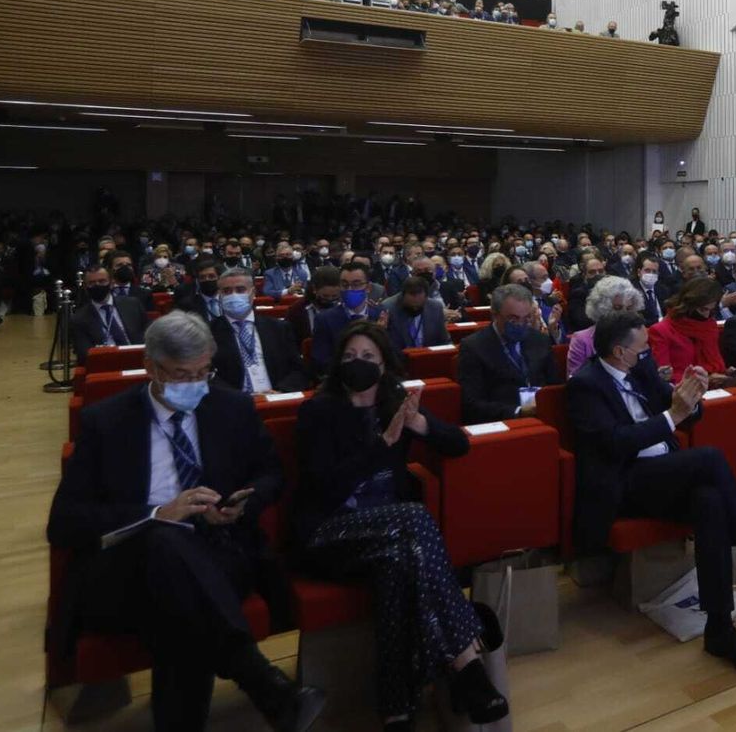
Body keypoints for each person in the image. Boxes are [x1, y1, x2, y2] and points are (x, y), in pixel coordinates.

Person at [46, 311, 325, 732]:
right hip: (127, 567)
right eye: (181, 375)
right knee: (165, 545)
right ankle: (261, 681)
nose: (195, 383)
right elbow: (65, 522)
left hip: (219, 551)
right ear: (152, 368)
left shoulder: (230, 406)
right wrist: (157, 513)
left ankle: (265, 690)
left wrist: (245, 502)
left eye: (203, 372)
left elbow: (270, 474)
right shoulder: (108, 422)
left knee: (181, 602)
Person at [566, 312, 736, 680]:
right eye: (642, 349)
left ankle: (720, 629)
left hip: (665, 472)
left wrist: (692, 396)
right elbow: (615, 445)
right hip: (625, 483)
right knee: (709, 458)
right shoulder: (586, 385)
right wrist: (672, 415)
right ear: (619, 352)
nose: (648, 354)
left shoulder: (640, 368)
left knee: (710, 501)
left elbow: (685, 414)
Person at [292, 321, 508, 729]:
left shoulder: (394, 403)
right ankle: (466, 661)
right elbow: (323, 487)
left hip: (393, 536)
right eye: (349, 357)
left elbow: (458, 444)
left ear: (384, 365)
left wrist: (419, 425)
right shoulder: (318, 411)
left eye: (367, 357)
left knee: (397, 564)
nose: (357, 363)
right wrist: (381, 446)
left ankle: (397, 709)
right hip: (331, 532)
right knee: (413, 518)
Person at [456, 283, 559, 421]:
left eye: (526, 318)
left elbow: (555, 386)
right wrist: (518, 412)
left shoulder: (539, 340)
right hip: (504, 420)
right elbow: (472, 404)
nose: (521, 324)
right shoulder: (474, 347)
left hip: (543, 415)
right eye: (513, 319)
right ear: (495, 315)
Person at [209, 268, 306, 394]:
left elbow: (298, 370)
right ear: (219, 295)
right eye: (227, 291)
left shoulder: (279, 328)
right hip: (234, 401)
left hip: (276, 398)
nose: (233, 295)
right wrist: (240, 398)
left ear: (253, 293)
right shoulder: (208, 333)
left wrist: (281, 391)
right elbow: (208, 376)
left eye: (240, 290)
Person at [647, 276, 736, 386]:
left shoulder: (709, 325)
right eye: (703, 309)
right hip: (685, 388)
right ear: (689, 305)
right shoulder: (660, 331)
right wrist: (704, 379)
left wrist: (725, 372)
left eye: (711, 310)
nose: (706, 315)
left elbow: (714, 360)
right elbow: (664, 376)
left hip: (713, 383)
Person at [310, 261, 385, 373]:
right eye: (344, 285)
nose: (350, 289)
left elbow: (393, 356)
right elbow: (321, 362)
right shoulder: (324, 319)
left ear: (368, 288)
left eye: (356, 284)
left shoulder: (382, 314)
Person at [565, 275, 645, 374]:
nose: (624, 314)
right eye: (617, 308)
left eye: (628, 308)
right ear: (602, 309)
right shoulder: (581, 340)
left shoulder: (638, 335)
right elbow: (576, 379)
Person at [73, 265, 147, 363]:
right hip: (106, 363)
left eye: (102, 281)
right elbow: (85, 354)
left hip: (138, 358)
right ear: (85, 287)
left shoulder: (133, 304)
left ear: (111, 283)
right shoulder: (79, 318)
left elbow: (148, 334)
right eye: (92, 283)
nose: (97, 285)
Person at [382, 275, 452, 352]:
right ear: (403, 296)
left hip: (429, 356)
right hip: (399, 357)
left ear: (426, 297)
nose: (416, 299)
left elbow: (445, 340)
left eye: (418, 306)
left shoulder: (435, 308)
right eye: (412, 295)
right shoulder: (388, 308)